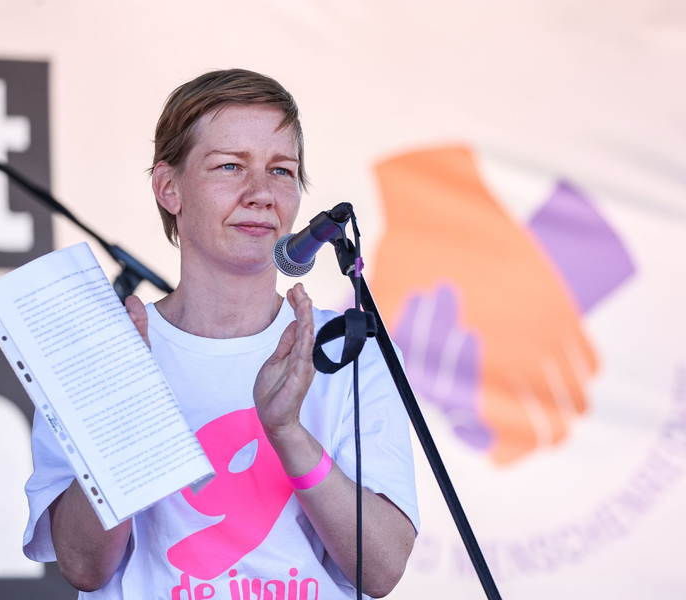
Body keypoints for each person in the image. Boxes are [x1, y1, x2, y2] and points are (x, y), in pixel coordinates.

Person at [22, 68, 419, 599]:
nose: (260, 193)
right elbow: (83, 566)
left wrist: (288, 434)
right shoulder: (103, 349)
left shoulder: (349, 347)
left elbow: (384, 568)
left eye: (281, 171)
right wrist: (126, 408)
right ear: (169, 188)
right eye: (230, 166)